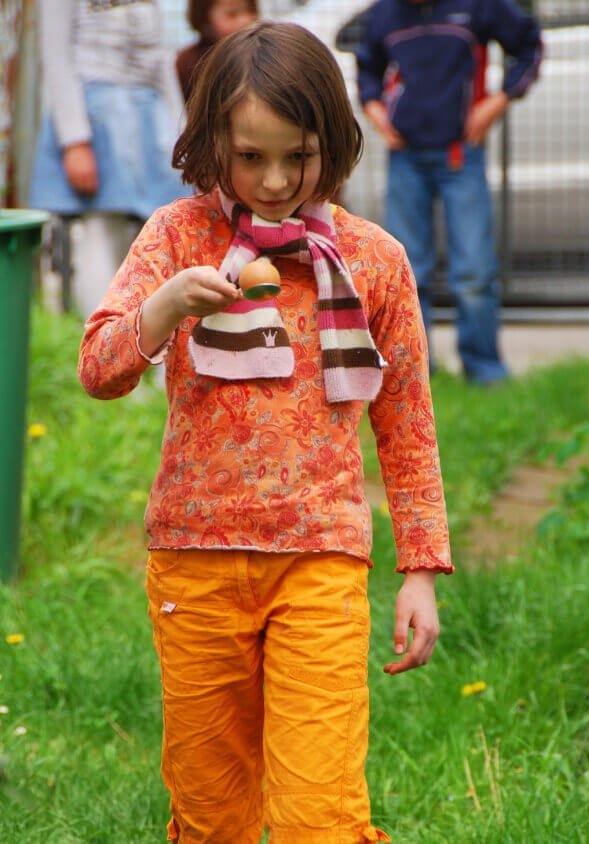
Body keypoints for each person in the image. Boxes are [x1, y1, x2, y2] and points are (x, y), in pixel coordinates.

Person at [78, 22, 452, 844]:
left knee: (319, 815)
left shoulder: (374, 261)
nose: (277, 180)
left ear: (337, 142)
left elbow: (409, 425)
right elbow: (99, 370)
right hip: (194, 562)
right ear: (214, 142)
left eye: (301, 155)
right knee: (213, 818)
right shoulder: (178, 238)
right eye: (251, 157)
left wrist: (421, 569)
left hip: (320, 563)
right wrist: (167, 304)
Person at [357, 0, 543, 384]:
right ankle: (415, 375)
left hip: (462, 154)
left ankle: (485, 371)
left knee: (474, 271)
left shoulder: (479, 5)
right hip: (405, 157)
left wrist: (497, 102)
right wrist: (375, 111)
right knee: (408, 272)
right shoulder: (384, 14)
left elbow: (529, 44)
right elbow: (367, 69)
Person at [29, 0, 190, 319]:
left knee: (162, 232)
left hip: (149, 116)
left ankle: (158, 352)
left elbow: (160, 58)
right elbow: (56, 54)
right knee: (102, 228)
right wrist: (75, 140)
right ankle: (104, 343)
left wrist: (181, 132)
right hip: (98, 115)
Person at [176, 0, 258, 103]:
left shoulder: (264, 54)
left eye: (251, 11)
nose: (245, 20)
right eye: (231, 14)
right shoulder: (189, 63)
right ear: (206, 18)